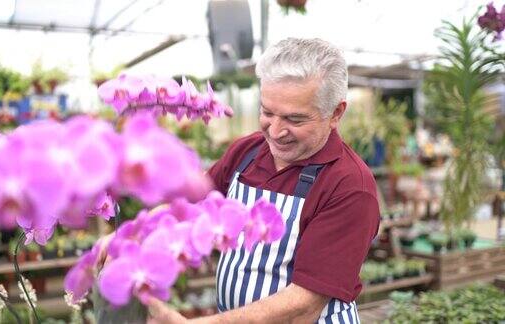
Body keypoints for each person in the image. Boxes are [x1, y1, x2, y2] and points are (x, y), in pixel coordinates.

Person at [148, 37, 380, 324]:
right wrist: (136, 232)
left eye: (295, 119)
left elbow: (304, 307)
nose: (276, 131)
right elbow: (192, 208)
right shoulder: (247, 152)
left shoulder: (349, 186)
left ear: (335, 113)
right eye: (267, 112)